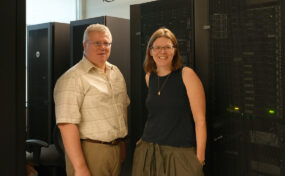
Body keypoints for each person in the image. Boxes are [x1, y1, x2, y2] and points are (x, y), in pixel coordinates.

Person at [54, 23, 130, 176]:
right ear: (84, 45)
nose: (102, 47)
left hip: (115, 150)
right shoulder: (72, 78)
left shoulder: (116, 73)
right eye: (97, 43)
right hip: (89, 151)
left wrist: (122, 142)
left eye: (106, 43)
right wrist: (80, 167)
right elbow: (66, 125)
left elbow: (122, 109)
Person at [132, 28, 206, 176]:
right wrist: (142, 141)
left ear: (174, 50)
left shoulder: (187, 75)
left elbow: (200, 121)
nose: (162, 52)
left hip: (179, 153)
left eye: (167, 47)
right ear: (150, 51)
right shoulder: (149, 77)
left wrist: (199, 158)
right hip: (148, 150)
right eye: (157, 47)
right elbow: (156, 113)